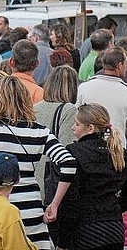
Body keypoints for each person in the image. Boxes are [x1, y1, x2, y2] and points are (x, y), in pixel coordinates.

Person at [0, 75, 77, 249]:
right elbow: (68, 163)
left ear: (2, 101)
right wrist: (54, 204)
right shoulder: (40, 131)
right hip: (32, 210)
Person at [48, 103, 127, 250]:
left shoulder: (73, 152)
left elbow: (70, 200)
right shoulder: (119, 153)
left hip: (85, 230)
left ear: (90, 128)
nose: (73, 128)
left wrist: (63, 241)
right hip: (114, 229)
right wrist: (112, 207)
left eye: (77, 124)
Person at [34, 65, 78, 197]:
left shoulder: (34, 108)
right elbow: (67, 149)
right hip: (53, 183)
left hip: (33, 179)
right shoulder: (69, 110)